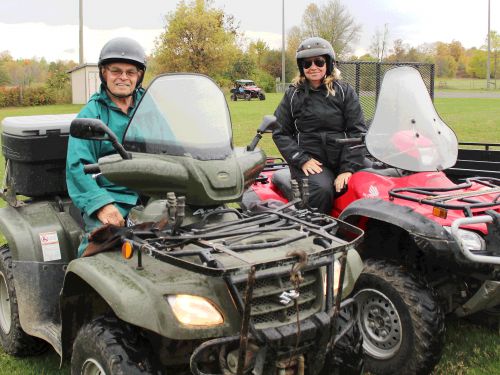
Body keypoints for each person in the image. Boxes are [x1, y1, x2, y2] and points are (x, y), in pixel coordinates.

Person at [66, 37, 147, 257]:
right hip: (113, 195)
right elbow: (77, 167)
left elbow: (172, 144)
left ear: (139, 75)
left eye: (130, 72)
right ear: (104, 73)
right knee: (100, 246)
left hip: (151, 190)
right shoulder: (91, 114)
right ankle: (81, 287)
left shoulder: (149, 105)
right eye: (116, 71)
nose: (123, 77)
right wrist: (102, 205)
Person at [272, 37, 367, 214]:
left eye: (319, 61)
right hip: (311, 161)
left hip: (342, 157)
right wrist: (301, 159)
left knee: (372, 180)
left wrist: (348, 169)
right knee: (322, 190)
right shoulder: (293, 95)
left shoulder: (345, 92)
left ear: (329, 63)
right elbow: (280, 132)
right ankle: (315, 232)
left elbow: (357, 131)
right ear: (302, 67)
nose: (313, 67)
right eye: (307, 63)